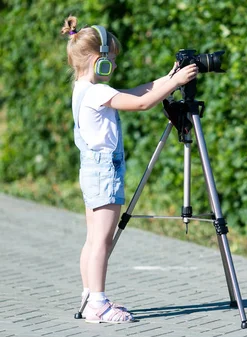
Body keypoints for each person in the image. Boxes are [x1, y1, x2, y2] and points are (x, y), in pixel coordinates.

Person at [61, 15, 198, 323]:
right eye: (112, 59)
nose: (116, 65)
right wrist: (175, 83)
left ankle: (89, 295)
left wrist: (167, 78)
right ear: (100, 60)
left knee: (92, 238)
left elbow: (136, 92)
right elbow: (141, 103)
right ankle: (98, 303)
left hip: (91, 170)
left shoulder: (83, 89)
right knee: (102, 240)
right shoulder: (98, 92)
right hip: (105, 173)